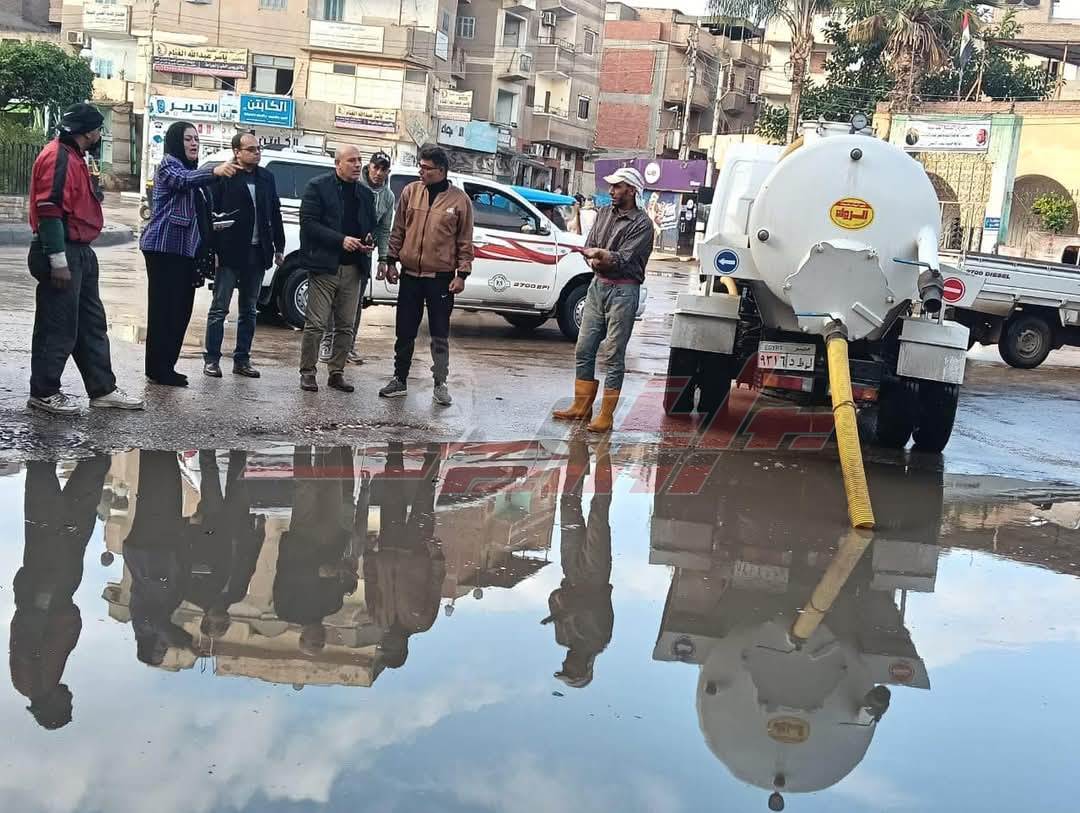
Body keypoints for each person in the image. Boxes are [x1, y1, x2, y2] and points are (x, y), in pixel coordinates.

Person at [26, 103, 144, 414]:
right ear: (89, 132)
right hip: (62, 249)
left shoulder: (74, 156)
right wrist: (58, 260)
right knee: (58, 326)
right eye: (98, 129)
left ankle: (102, 390)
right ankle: (44, 392)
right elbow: (49, 209)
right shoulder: (58, 157)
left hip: (80, 250)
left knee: (91, 324)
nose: (100, 135)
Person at [10, 455, 111, 729]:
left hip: (51, 583)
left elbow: (31, 630)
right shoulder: (33, 683)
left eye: (68, 705)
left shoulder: (35, 682)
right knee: (58, 507)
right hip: (50, 583)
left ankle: (54, 451)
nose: (71, 698)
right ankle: (57, 455)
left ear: (54, 707)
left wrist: (44, 596)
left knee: (57, 511)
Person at [551, 167, 653, 433]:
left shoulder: (642, 223)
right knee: (584, 348)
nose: (611, 191)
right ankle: (581, 406)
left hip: (624, 291)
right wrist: (597, 257)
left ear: (631, 190)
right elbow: (591, 245)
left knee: (613, 354)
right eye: (612, 186)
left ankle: (606, 415)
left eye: (617, 186)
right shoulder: (604, 213)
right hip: (598, 286)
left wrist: (600, 256)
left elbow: (622, 259)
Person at [140, 122, 238, 386]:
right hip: (163, 249)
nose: (194, 143)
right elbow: (182, 181)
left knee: (181, 311)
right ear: (176, 141)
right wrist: (215, 171)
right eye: (187, 139)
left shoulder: (192, 171)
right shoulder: (169, 165)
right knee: (164, 311)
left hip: (185, 251)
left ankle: (167, 366)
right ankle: (158, 369)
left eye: (196, 139)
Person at [380, 144, 474, 406]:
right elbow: (398, 229)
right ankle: (399, 379)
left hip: (441, 279)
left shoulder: (459, 201)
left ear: (441, 170)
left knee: (439, 333)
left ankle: (440, 383)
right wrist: (390, 261)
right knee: (405, 331)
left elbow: (465, 241)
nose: (420, 171)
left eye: (426, 168)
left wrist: (462, 274)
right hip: (410, 276)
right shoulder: (410, 192)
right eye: (420, 166)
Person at [202, 133, 285, 379]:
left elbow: (275, 212)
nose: (256, 153)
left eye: (258, 149)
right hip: (229, 252)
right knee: (219, 308)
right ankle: (212, 359)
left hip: (257, 253)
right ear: (237, 152)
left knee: (249, 310)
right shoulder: (225, 176)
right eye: (251, 149)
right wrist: (213, 251)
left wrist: (279, 246)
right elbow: (212, 215)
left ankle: (242, 360)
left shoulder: (266, 178)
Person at [297, 145, 377, 393]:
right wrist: (340, 240)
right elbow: (308, 223)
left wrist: (368, 241)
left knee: (346, 326)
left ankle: (336, 372)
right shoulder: (318, 187)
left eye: (359, 160)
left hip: (353, 268)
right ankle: (308, 372)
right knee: (316, 324)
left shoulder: (365, 194)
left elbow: (371, 225)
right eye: (351, 160)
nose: (357, 165)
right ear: (337, 164)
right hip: (325, 267)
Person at [364, 442, 445, 669]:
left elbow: (371, 582)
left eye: (382, 647)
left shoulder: (377, 618)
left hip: (388, 547)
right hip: (418, 547)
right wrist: (436, 556)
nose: (385, 643)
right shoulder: (423, 622)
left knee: (392, 491)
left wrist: (368, 553)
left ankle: (395, 447)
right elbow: (435, 585)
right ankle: (434, 449)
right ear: (402, 648)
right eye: (390, 648)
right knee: (425, 493)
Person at [273, 446, 359, 657]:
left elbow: (285, 576)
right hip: (332, 538)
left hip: (303, 540)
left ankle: (303, 441)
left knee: (305, 488)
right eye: (322, 642)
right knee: (334, 484)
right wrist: (347, 575)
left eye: (314, 642)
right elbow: (341, 579)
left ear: (302, 637)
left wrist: (315, 572)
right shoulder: (333, 606)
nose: (320, 638)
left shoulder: (286, 611)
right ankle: (331, 441)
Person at [542, 441, 613, 689]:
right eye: (570, 668)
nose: (565, 663)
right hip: (595, 574)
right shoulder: (600, 638)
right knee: (599, 511)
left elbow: (555, 598)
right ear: (584, 666)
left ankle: (577, 451)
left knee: (568, 504)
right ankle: (603, 452)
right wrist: (565, 610)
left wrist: (559, 604)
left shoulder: (562, 638)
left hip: (570, 571)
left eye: (564, 668)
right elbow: (595, 604)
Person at [321, 150, 395, 367]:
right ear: (368, 167)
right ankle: (327, 343)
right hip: (339, 248)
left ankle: (348, 345)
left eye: (383, 169)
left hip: (363, 254)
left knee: (355, 303)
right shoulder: (354, 184)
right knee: (332, 299)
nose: (379, 173)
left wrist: (383, 259)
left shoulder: (388, 197)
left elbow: (384, 229)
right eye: (375, 167)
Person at [123, 450, 194, 666]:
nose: (164, 646)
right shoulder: (158, 619)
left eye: (159, 649)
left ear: (147, 645)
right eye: (164, 650)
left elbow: (156, 624)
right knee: (165, 490)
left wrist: (184, 642)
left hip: (151, 550)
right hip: (156, 549)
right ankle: (159, 447)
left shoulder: (142, 626)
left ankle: (155, 446)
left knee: (158, 492)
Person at [186, 450, 265, 642]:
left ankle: (208, 440)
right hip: (238, 528)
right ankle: (238, 442)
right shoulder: (237, 594)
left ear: (206, 619)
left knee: (210, 476)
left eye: (218, 624)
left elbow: (187, 557)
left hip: (210, 527)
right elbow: (250, 564)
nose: (223, 620)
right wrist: (259, 533)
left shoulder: (193, 594)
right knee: (239, 478)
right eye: (225, 625)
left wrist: (193, 528)